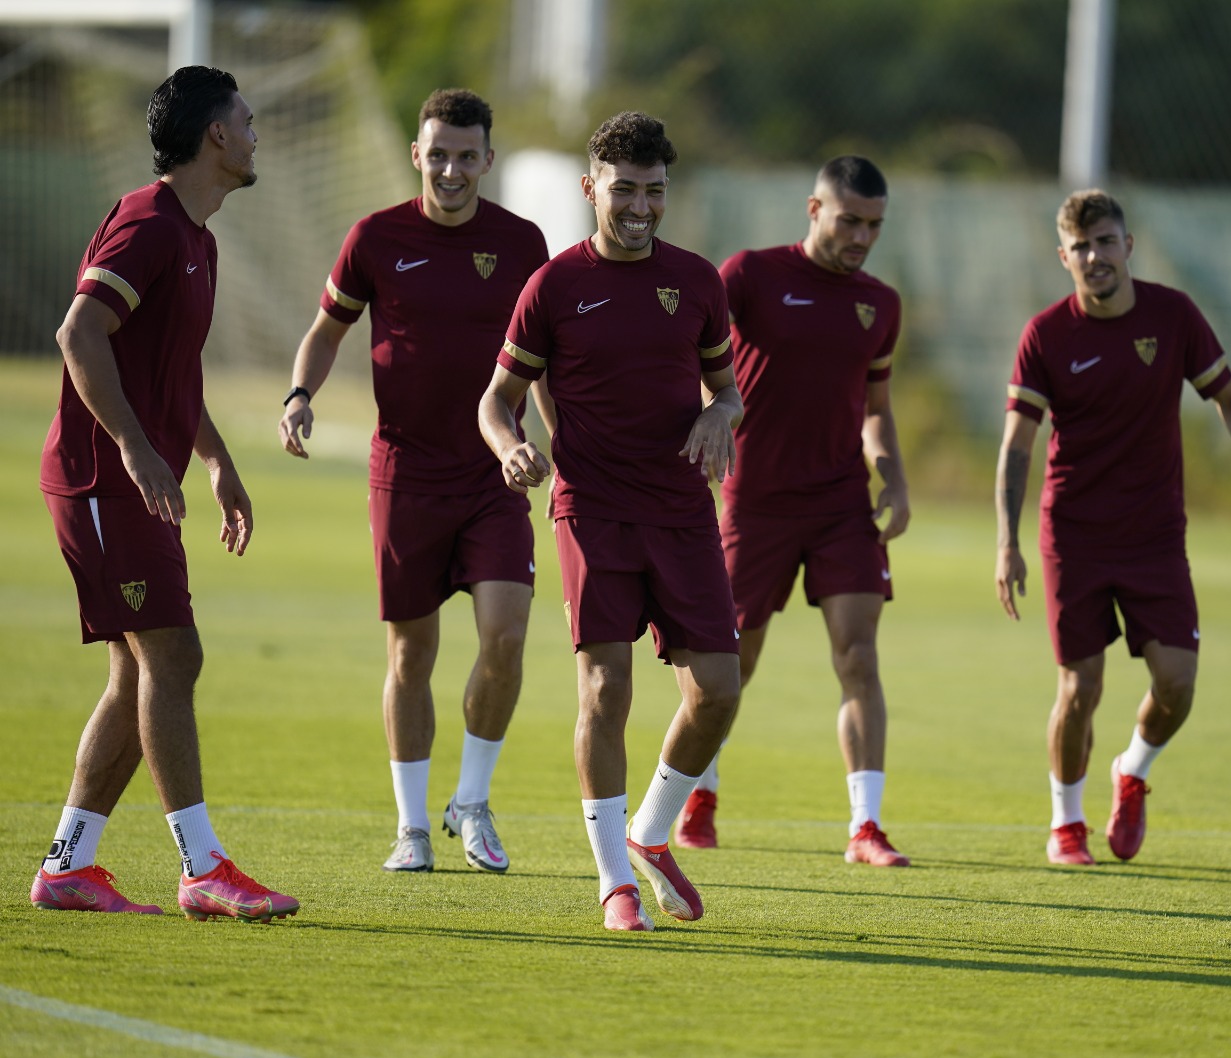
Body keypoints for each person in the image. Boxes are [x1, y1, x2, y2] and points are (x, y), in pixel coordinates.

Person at [33, 66, 298, 921]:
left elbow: (171, 372)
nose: (257, 135)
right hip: (104, 482)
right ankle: (203, 868)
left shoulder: (200, 239)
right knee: (174, 659)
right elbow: (80, 331)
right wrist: (138, 451)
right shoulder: (149, 223)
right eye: (247, 122)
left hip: (131, 480)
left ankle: (68, 867)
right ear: (215, 135)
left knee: (135, 673)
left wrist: (215, 459)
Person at [479, 111, 743, 931]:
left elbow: (728, 388)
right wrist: (508, 449)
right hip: (592, 511)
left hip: (682, 512)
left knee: (718, 695)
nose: (639, 206)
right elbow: (498, 400)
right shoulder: (554, 286)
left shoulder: (698, 281)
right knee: (607, 689)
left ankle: (651, 835)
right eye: (623, 189)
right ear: (591, 187)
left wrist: (718, 416)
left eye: (654, 191)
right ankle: (613, 883)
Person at [277, 90, 549, 874]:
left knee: (505, 637)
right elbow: (326, 330)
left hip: (495, 471)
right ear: (416, 155)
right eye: (439, 154)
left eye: (467, 156)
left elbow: (548, 361)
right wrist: (300, 398)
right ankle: (412, 828)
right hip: (404, 474)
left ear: (488, 160)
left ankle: (472, 799)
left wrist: (561, 445)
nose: (452, 169)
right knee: (412, 656)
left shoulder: (523, 243)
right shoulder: (376, 237)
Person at [994, 189, 1231, 866]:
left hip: (1155, 534)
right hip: (1073, 532)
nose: (1095, 256)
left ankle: (1131, 770)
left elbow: (1230, 399)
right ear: (1063, 256)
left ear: (1129, 245)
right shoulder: (1046, 334)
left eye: (1106, 242)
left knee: (1178, 683)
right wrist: (1008, 541)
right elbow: (1017, 445)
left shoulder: (1174, 315)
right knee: (1081, 687)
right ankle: (1066, 825)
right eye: (1081, 247)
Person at [673, 156, 911, 865]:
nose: (863, 238)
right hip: (755, 503)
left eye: (874, 226)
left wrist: (892, 479)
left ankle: (865, 827)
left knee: (858, 657)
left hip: (841, 505)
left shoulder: (881, 304)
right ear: (814, 210)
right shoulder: (748, 275)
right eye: (849, 222)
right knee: (732, 665)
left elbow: (875, 413)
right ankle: (698, 793)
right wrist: (703, 425)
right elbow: (686, 359)